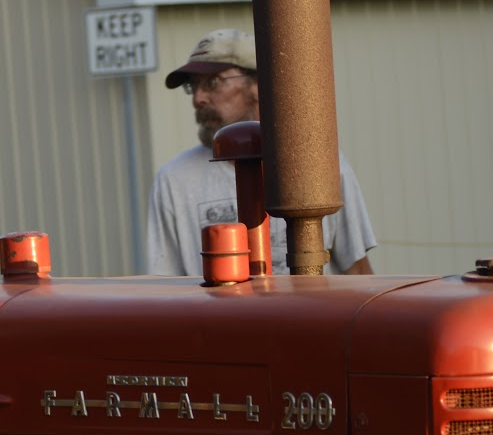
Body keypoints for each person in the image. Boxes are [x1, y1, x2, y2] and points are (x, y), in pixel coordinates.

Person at [145, 28, 375, 276]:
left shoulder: (322, 166)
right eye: (193, 86)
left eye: (212, 82)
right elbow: (165, 284)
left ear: (258, 85)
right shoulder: (175, 179)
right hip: (213, 315)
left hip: (305, 314)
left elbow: (357, 271)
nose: (197, 99)